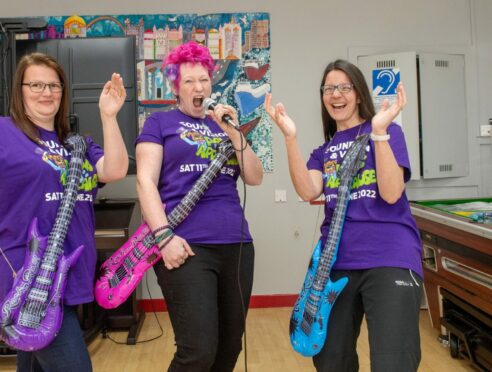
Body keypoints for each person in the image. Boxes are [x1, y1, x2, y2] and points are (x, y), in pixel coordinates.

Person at [0, 52, 129, 372]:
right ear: (20, 90)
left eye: (54, 86)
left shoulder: (75, 144)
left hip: (68, 269)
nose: (46, 92)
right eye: (36, 84)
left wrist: (109, 117)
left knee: (34, 363)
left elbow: (114, 169)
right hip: (25, 273)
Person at [265, 59, 423, 371]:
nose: (336, 94)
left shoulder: (388, 133)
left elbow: (391, 193)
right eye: (329, 88)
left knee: (393, 362)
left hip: (390, 257)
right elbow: (308, 190)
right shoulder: (324, 152)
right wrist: (290, 137)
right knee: (330, 361)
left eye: (344, 87)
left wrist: (378, 132)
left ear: (359, 94)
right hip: (336, 266)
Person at [135, 41, 263, 371]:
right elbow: (145, 182)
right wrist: (163, 237)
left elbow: (254, 177)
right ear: (176, 86)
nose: (199, 87)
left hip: (236, 246)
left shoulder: (225, 125)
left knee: (229, 347)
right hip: (184, 246)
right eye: (189, 81)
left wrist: (235, 134)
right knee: (198, 350)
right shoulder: (159, 124)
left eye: (204, 79)